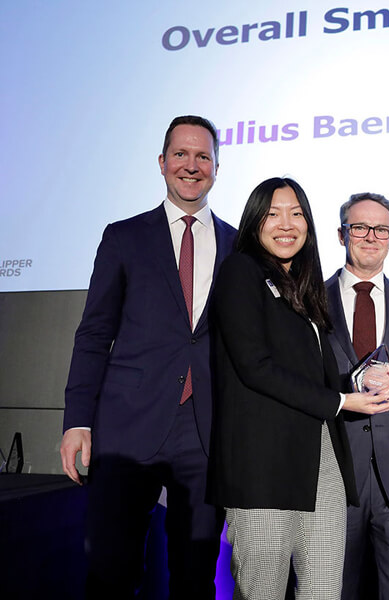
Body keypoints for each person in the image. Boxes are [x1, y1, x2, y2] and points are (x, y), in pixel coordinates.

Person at [60, 115, 236, 598]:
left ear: (216, 168)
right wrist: (77, 420)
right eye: (180, 154)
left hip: (205, 433)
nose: (191, 165)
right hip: (127, 429)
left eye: (202, 156)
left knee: (195, 577)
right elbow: (94, 334)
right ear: (162, 162)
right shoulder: (124, 237)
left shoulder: (239, 245)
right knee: (111, 574)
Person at [207, 177, 389, 600]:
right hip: (263, 469)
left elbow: (308, 375)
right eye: (273, 213)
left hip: (321, 463)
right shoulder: (240, 270)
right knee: (262, 591)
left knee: (323, 591)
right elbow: (255, 367)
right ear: (255, 220)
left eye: (296, 214)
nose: (287, 224)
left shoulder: (302, 288)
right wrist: (343, 400)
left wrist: (367, 382)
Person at [325, 193, 389, 600]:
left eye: (381, 229)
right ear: (341, 234)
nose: (371, 237)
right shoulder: (311, 300)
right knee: (333, 591)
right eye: (360, 227)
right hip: (334, 476)